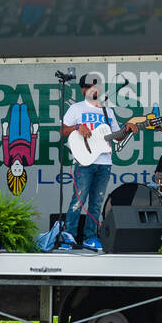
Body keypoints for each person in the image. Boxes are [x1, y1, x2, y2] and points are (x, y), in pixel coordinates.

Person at [59, 72, 138, 252]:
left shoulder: (107, 110)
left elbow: (117, 137)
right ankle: (68, 235)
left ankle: (90, 236)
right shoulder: (76, 109)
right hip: (84, 161)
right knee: (78, 199)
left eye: (97, 85)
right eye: (90, 85)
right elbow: (63, 131)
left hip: (104, 161)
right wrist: (78, 127)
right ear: (83, 89)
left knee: (96, 202)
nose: (94, 88)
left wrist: (128, 129)